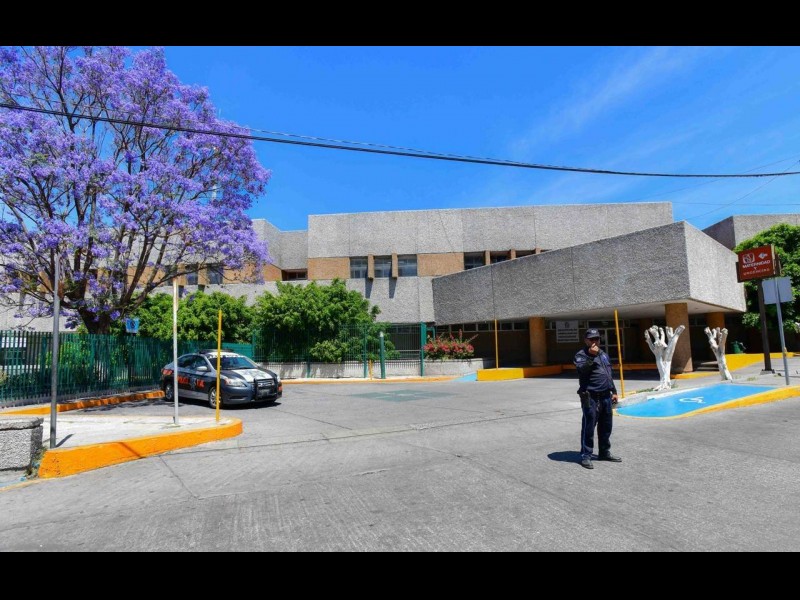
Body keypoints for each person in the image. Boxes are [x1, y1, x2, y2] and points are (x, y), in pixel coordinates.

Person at [574, 328, 622, 470]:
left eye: (597, 339)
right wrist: (591, 356)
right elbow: (582, 370)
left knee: (606, 426)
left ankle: (604, 452)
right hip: (591, 397)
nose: (594, 341)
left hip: (606, 396)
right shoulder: (581, 355)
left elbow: (608, 374)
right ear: (586, 340)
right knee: (589, 427)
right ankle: (586, 455)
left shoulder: (603, 354)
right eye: (591, 339)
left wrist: (614, 391)